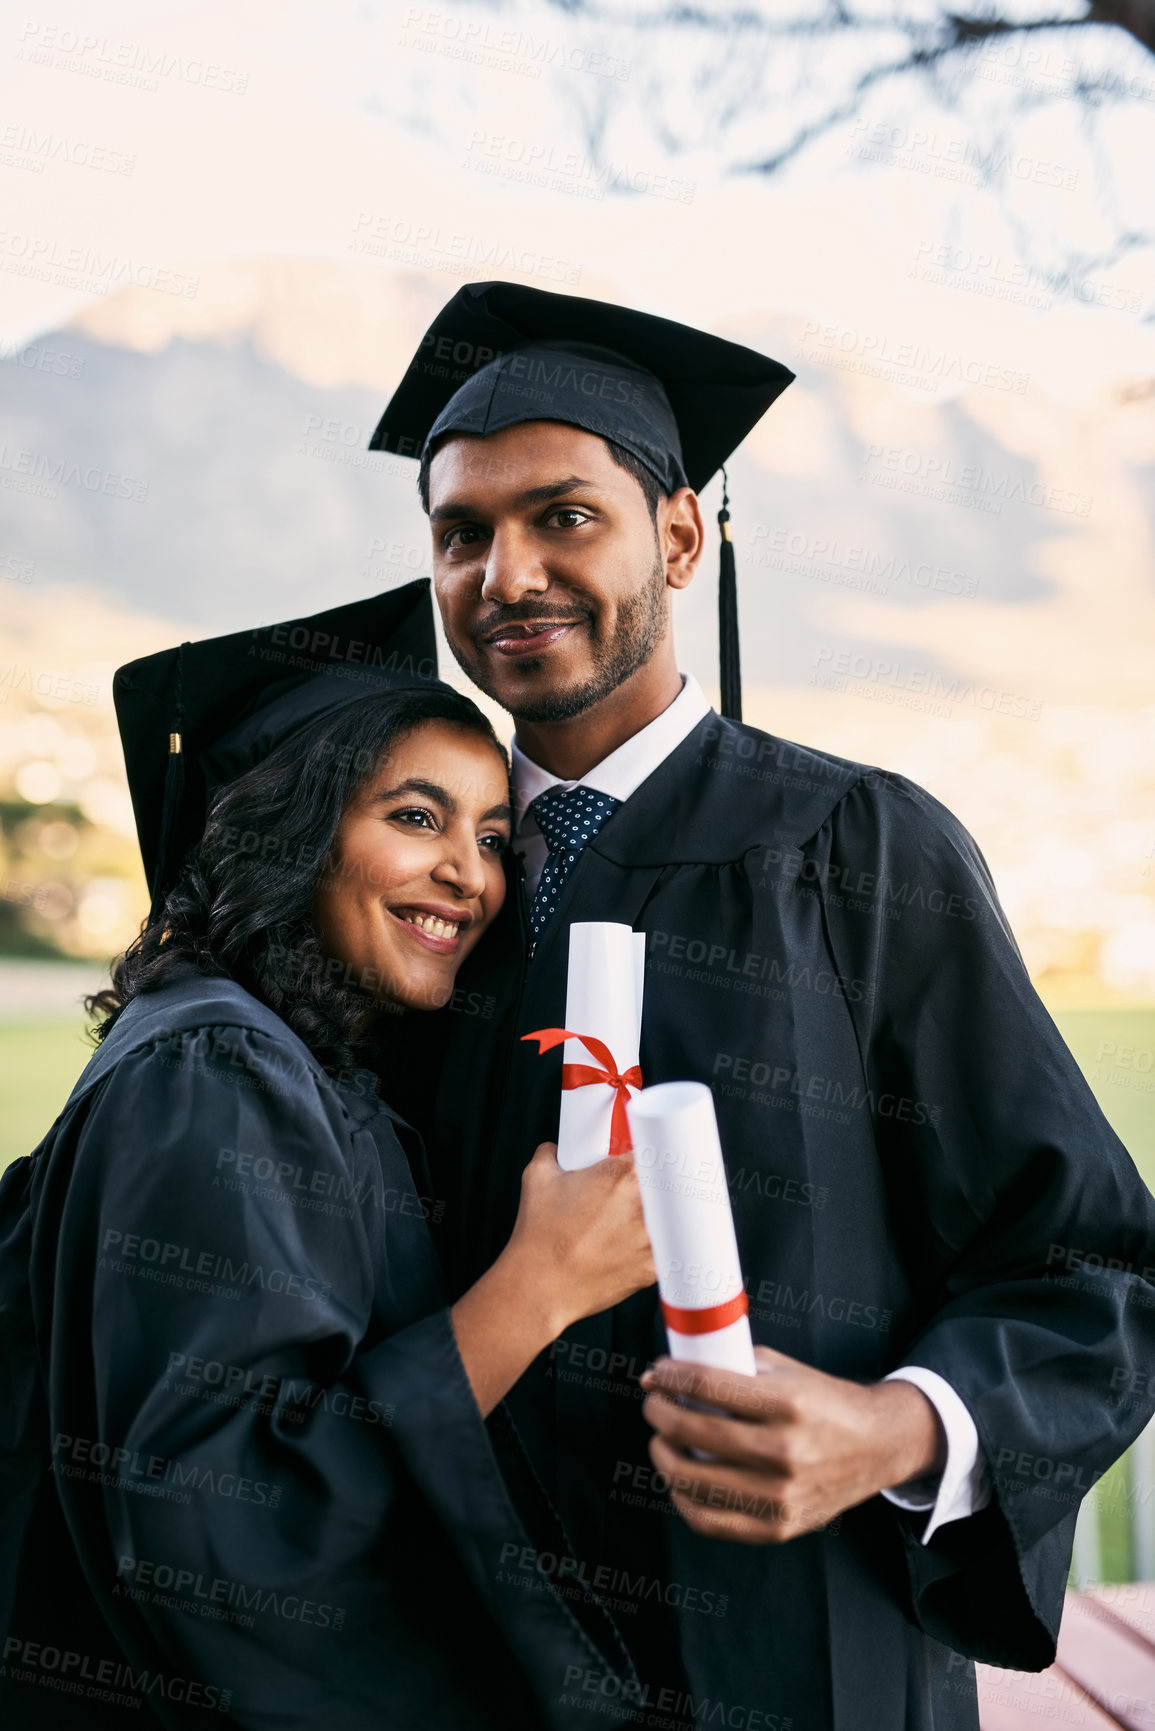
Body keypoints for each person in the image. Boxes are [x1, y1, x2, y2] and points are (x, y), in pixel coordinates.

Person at [368, 281, 1155, 1731]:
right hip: (470, 1667)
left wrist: (892, 1426)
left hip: (798, 1664)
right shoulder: (417, 897)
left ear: (677, 535)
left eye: (564, 515)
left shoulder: (858, 850)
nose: (506, 571)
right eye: (461, 532)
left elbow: (1088, 1262)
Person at [0, 582, 656, 1730]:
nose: (471, 874)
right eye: (416, 817)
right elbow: (223, 1519)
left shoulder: (278, 1061)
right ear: (292, 831)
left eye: (494, 837)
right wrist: (535, 1290)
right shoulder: (214, 1071)